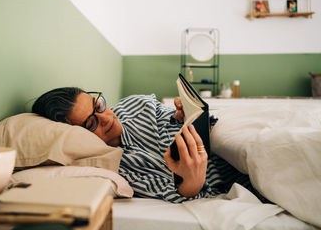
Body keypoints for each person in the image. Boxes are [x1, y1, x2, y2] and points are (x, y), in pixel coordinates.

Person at [32, 87, 255, 203]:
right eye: (91, 123)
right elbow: (178, 194)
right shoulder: (115, 166)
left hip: (233, 137)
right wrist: (192, 185)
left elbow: (170, 116)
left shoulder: (135, 104)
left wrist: (182, 113)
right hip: (240, 179)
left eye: (98, 105)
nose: (106, 118)